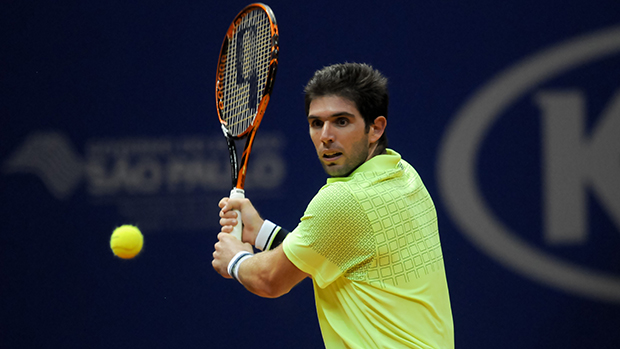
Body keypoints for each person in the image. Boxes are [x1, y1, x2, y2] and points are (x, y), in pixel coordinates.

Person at [212, 63, 454, 348]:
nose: (326, 135)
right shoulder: (404, 174)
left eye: (341, 121)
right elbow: (330, 251)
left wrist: (236, 259)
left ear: (375, 128)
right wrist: (261, 231)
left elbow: (270, 280)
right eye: (316, 123)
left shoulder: (342, 201)